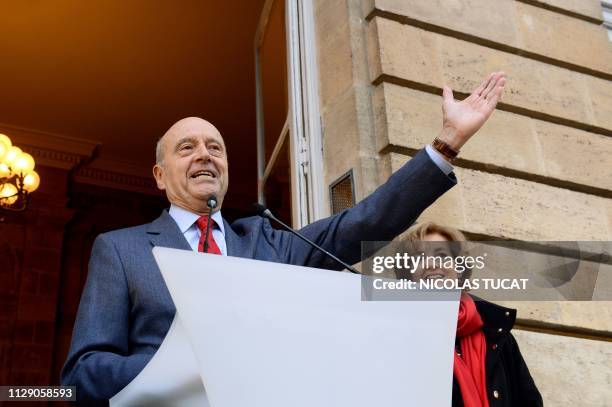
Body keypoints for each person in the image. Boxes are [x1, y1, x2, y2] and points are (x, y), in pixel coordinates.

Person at [61, 72, 507, 404]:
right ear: (160, 175)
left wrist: (446, 143)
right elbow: (80, 377)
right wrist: (183, 369)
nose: (205, 156)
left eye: (215, 147)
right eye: (187, 147)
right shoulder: (121, 250)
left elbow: (362, 224)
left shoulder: (268, 241)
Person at [402, 222, 543, 407]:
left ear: (458, 270)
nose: (432, 263)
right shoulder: (400, 334)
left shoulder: (496, 332)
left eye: (442, 255)